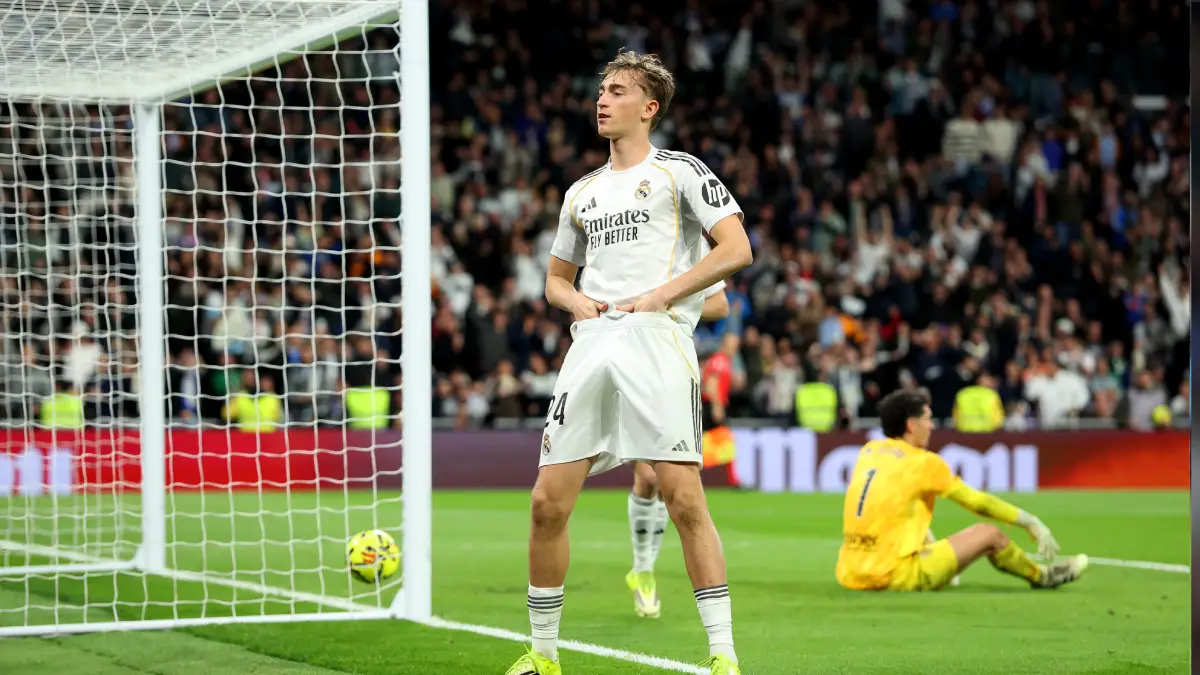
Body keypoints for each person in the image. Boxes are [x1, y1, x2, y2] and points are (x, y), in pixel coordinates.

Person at [505, 50, 752, 675]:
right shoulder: (581, 192)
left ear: (648, 108)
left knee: (683, 498)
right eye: (601, 90)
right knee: (546, 504)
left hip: (655, 339)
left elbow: (738, 248)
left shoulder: (682, 172)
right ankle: (543, 655)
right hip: (591, 343)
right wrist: (578, 304)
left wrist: (666, 293)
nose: (602, 99)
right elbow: (555, 282)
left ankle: (723, 655)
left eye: (616, 91)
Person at [835, 389, 1088, 592]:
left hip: (851, 572)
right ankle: (1042, 576)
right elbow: (978, 502)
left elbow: (901, 512)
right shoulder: (924, 462)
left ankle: (938, 569)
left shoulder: (870, 451)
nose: (932, 426)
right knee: (989, 535)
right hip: (894, 574)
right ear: (911, 425)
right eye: (927, 418)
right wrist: (1031, 522)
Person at [625, 281, 729, 620]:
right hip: (628, 357)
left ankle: (643, 572)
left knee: (658, 476)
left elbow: (720, 305)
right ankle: (642, 568)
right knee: (646, 476)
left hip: (672, 363)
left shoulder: (691, 246)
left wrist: (665, 302)